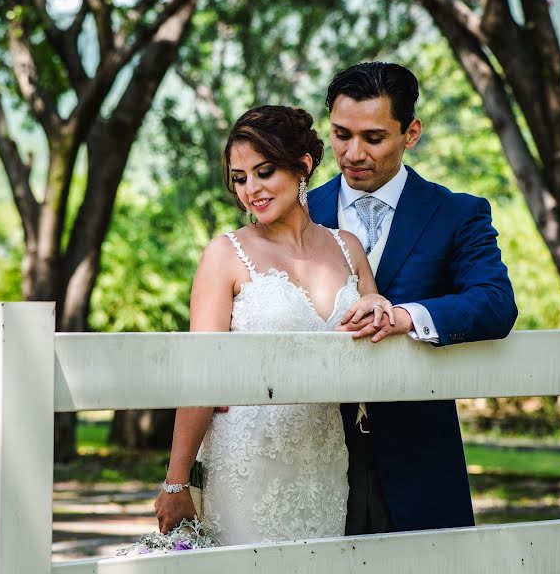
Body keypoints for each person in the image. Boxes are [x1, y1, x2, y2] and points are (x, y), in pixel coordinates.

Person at [154, 106, 393, 545]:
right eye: (240, 178)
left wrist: (378, 303)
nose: (251, 190)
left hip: (322, 457)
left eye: (264, 172)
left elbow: (371, 345)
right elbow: (200, 374)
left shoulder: (348, 248)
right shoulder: (224, 254)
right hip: (246, 459)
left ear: (303, 165)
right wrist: (176, 481)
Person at [308, 61, 518, 534]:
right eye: (341, 134)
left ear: (411, 132)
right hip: (310, 455)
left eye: (374, 137)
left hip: (418, 456)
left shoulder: (457, 213)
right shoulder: (298, 210)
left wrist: (406, 316)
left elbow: (495, 302)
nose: (353, 153)